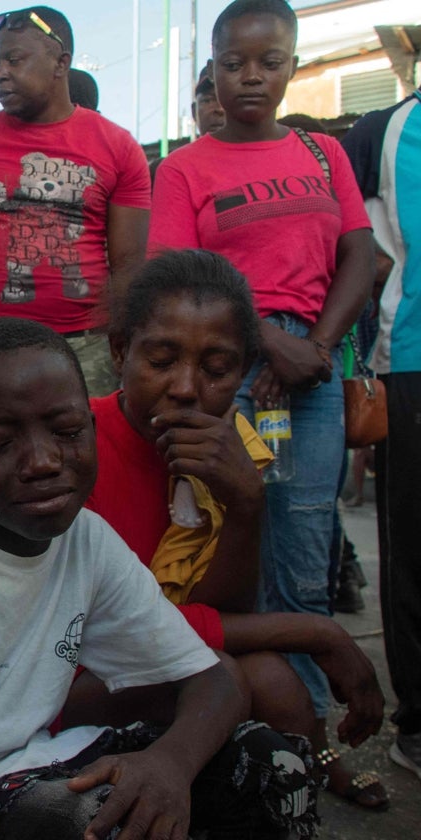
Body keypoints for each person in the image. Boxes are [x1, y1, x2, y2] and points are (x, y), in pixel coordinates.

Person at [0, 317, 319, 840]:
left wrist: (170, 765)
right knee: (96, 825)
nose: (43, 462)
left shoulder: (86, 538)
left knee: (275, 768)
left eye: (66, 433)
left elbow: (214, 678)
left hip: (51, 755)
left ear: (90, 428)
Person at [147, 0, 379, 808]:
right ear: (211, 66)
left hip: (308, 379)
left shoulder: (323, 151)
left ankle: (309, 746)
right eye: (235, 62)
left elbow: (361, 253)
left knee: (304, 558)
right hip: (221, 374)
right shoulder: (184, 168)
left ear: (290, 64)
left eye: (270, 61)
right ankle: (216, 724)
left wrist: (312, 346)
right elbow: (175, 278)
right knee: (208, 549)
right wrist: (261, 341)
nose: (252, 76)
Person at [66, 250, 382, 822]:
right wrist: (317, 630)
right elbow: (114, 629)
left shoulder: (232, 448)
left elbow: (223, 610)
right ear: (120, 352)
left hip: (169, 663)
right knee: (233, 673)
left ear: (242, 374)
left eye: (216, 370)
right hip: (76, 674)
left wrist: (244, 503)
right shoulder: (77, 444)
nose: (187, 389)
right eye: (161, 360)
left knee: (272, 679)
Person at [0, 5, 150, 423]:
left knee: (85, 474)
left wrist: (125, 350)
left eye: (14, 60)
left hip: (86, 349)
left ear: (61, 63)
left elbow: (128, 264)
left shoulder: (119, 147)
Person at [341, 82, 421, 781]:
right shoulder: (379, 136)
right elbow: (366, 258)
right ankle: (418, 724)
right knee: (414, 545)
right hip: (414, 365)